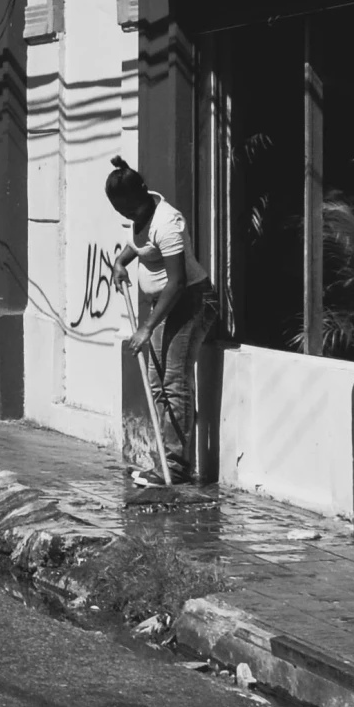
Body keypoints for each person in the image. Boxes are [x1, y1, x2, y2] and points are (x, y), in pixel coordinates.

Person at [106, 158, 209, 496]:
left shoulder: (168, 222)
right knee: (156, 382)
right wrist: (122, 262)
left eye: (129, 211)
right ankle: (163, 460)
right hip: (164, 307)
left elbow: (178, 282)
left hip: (189, 303)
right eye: (122, 214)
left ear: (142, 197)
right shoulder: (139, 213)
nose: (127, 218)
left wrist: (147, 328)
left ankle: (176, 469)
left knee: (173, 383)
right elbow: (139, 245)